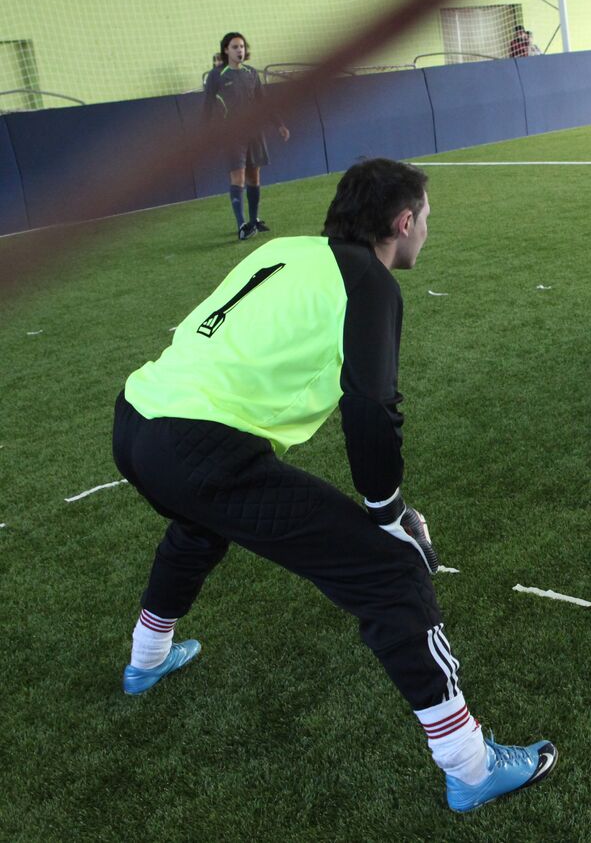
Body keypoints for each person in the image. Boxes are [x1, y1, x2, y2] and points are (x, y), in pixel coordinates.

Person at [113, 158, 557, 813]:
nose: (428, 228)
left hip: (132, 420)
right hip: (194, 444)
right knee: (392, 571)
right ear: (403, 223)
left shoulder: (286, 247)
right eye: (426, 218)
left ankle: (146, 657)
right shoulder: (371, 282)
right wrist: (389, 511)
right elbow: (370, 406)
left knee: (200, 523)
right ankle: (470, 764)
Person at [203, 32, 290, 241]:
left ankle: (253, 221)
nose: (239, 50)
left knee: (254, 176)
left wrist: (279, 125)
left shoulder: (251, 73)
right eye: (234, 47)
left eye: (241, 46)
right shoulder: (217, 75)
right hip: (233, 134)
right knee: (238, 178)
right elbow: (207, 106)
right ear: (226, 50)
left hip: (255, 132)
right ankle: (241, 225)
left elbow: (263, 102)